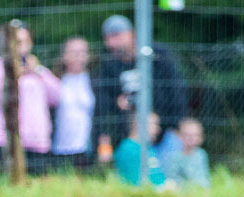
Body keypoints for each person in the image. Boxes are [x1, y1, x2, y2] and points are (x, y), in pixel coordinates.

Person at [95, 15, 186, 165]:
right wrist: (117, 102)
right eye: (107, 38)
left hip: (165, 133)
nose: (111, 43)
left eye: (116, 36)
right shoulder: (109, 65)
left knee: (168, 173)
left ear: (133, 34)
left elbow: (177, 92)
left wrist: (176, 127)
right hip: (130, 138)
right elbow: (102, 106)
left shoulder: (158, 55)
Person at [0, 22, 61, 175]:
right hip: (1, 140)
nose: (21, 46)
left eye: (25, 41)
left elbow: (58, 96)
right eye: (17, 41)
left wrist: (38, 71)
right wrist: (13, 76)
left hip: (35, 142)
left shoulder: (37, 70)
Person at [52, 36, 96, 170]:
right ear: (64, 56)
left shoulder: (96, 80)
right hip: (60, 147)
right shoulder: (55, 80)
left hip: (88, 147)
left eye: (82, 52)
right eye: (73, 52)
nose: (77, 56)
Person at [113, 111, 166, 187]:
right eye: (154, 125)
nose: (158, 129)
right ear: (140, 125)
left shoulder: (148, 148)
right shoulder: (129, 149)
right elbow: (136, 184)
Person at [161, 117, 210, 188]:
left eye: (195, 135)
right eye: (187, 135)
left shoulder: (201, 154)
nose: (191, 138)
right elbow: (172, 180)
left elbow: (204, 177)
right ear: (179, 136)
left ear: (201, 137)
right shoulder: (174, 156)